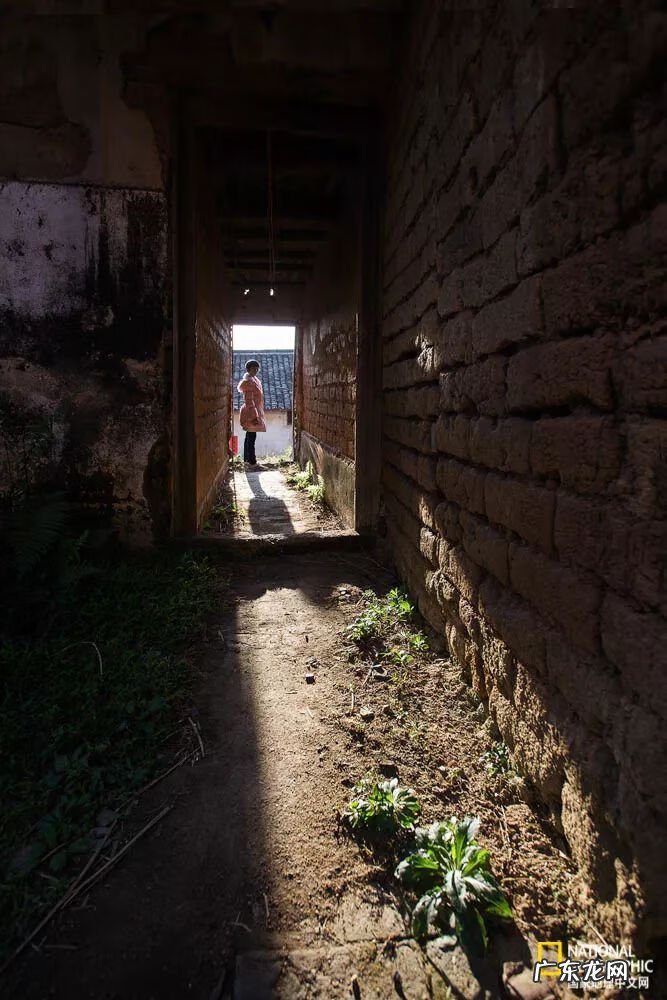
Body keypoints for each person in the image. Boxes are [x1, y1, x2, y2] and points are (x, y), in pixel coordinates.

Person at [237, 359, 266, 466]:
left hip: (253, 410)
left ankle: (247, 460)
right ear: (248, 369)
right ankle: (252, 462)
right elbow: (249, 400)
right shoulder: (248, 382)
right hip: (251, 411)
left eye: (257, 368)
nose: (256, 370)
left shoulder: (254, 380)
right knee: (251, 436)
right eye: (254, 368)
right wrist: (254, 416)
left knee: (249, 435)